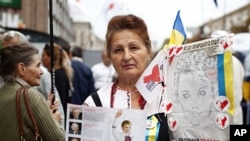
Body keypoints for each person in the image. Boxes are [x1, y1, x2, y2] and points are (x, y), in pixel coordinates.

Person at [84, 14, 170, 141]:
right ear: (110, 56)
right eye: (118, 50)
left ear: (148, 51)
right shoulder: (95, 103)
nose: (126, 56)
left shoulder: (168, 96)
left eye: (134, 48)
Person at [1, 30, 65, 129]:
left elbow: (58, 113)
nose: (6, 54)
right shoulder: (2, 75)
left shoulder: (41, 75)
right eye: (4, 49)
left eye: (12, 49)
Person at [42, 43, 74, 124]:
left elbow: (60, 100)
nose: (41, 59)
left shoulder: (58, 75)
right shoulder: (62, 72)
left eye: (43, 56)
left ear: (50, 58)